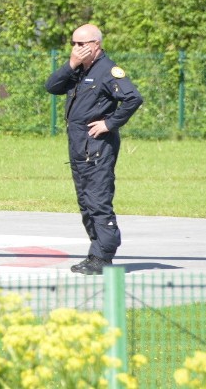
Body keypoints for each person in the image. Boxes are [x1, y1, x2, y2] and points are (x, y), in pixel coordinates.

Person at [45, 24, 143, 275]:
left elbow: (133, 98)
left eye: (82, 44)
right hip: (79, 145)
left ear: (96, 45)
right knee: (85, 201)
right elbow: (51, 86)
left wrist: (109, 123)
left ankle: (104, 256)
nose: (77, 48)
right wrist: (70, 64)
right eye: (74, 43)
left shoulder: (108, 71)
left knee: (98, 200)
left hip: (98, 147)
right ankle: (95, 252)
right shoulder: (78, 71)